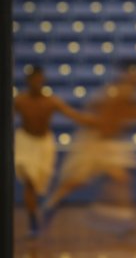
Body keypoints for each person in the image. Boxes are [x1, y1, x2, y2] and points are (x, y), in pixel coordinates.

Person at [42, 59, 136, 233]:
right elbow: (100, 116)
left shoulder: (127, 93)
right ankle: (50, 206)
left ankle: (119, 219)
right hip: (94, 142)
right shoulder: (118, 92)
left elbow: (124, 117)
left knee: (122, 178)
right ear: (129, 74)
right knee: (75, 182)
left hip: (111, 142)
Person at [13, 66, 96, 237]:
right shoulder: (20, 101)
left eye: (39, 80)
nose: (36, 83)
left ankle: (41, 210)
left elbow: (74, 115)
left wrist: (97, 122)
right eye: (33, 80)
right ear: (28, 81)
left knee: (39, 183)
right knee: (29, 180)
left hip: (44, 143)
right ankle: (33, 221)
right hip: (25, 141)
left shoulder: (51, 101)